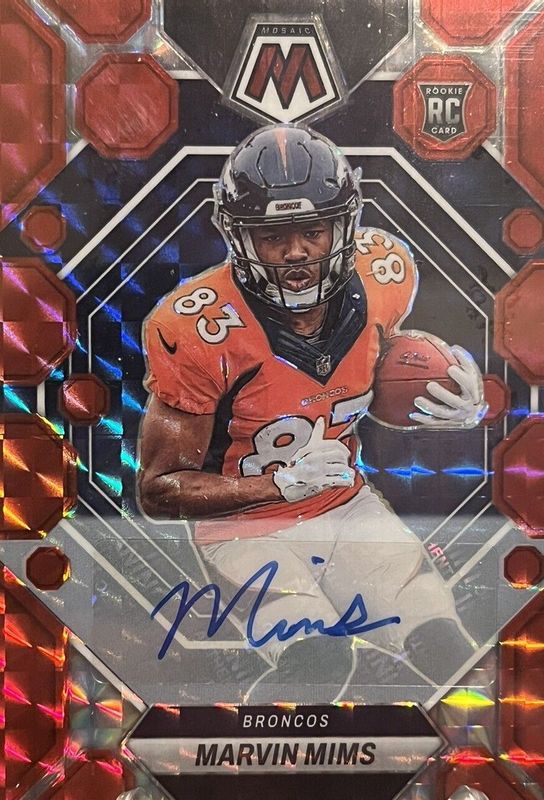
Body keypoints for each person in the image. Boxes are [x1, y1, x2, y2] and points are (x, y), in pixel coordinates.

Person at [138, 124, 487, 701]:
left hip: (344, 506)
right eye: (274, 235)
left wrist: (448, 397)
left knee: (441, 638)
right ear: (239, 236)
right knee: (317, 654)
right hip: (244, 526)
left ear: (343, 226)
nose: (296, 251)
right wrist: (279, 486)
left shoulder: (384, 274)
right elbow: (158, 489)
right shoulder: (197, 327)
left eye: (313, 230)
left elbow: (369, 378)